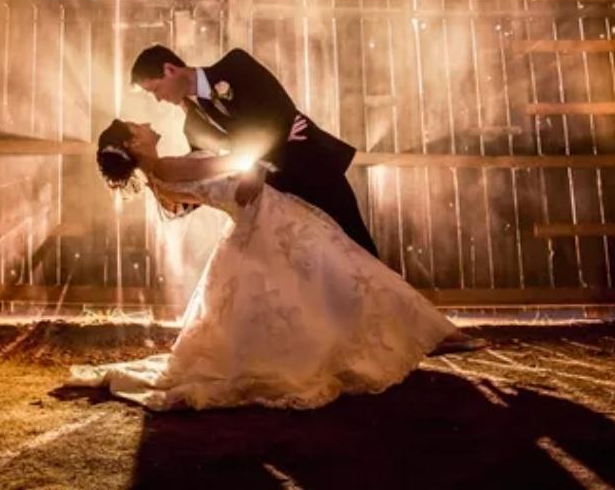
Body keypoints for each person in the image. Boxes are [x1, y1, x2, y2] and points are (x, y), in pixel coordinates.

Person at [65, 120, 484, 411]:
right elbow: (234, 162)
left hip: (265, 217)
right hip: (268, 219)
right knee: (350, 274)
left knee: (343, 276)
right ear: (133, 143)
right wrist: (267, 151)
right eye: (136, 126)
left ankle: (420, 334)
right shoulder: (166, 167)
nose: (144, 124)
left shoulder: (161, 175)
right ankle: (428, 334)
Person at [129, 44, 379, 257]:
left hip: (312, 169)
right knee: (317, 262)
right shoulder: (193, 126)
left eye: (155, 90)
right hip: (275, 198)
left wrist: (257, 161)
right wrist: (164, 189)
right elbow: (204, 174)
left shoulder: (236, 65)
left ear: (170, 70)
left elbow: (279, 111)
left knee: (357, 246)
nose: (158, 99)